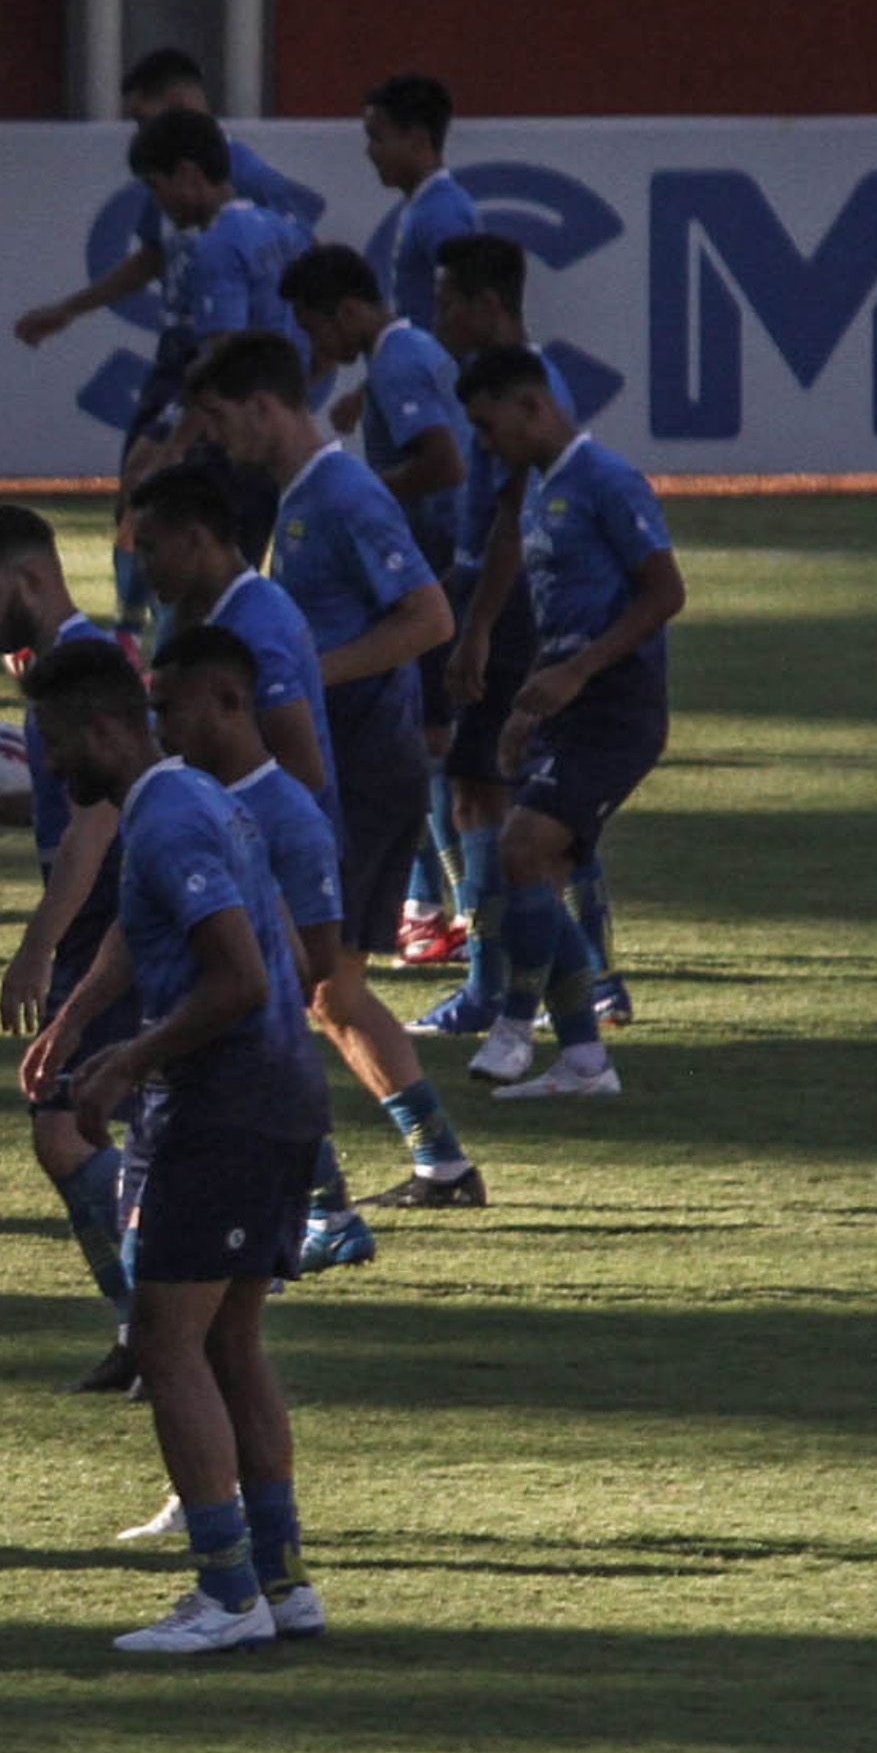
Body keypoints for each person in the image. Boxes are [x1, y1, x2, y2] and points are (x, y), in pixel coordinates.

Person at [18, 637, 329, 1654]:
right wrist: (72, 1024)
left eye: (62, 745)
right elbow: (145, 931)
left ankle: (226, 1593)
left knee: (165, 1340)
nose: (57, 767)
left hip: (224, 1105)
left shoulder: (171, 816)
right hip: (275, 1096)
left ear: (107, 729)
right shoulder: (188, 799)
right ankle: (280, 1584)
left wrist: (129, 1059)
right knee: (230, 1340)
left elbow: (235, 972)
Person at [181, 333, 488, 1234]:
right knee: (326, 993)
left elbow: (428, 617)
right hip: (348, 768)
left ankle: (324, 1208)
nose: (214, 439)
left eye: (219, 419)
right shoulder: (303, 496)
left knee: (289, 987)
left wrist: (316, 673)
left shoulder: (343, 492)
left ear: (264, 406)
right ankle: (439, 1162)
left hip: (360, 772)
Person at [0, 506, 138, 1394]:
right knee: (97, 1125)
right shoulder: (62, 667)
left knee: (66, 1131)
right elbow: (71, 798)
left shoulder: (82, 668)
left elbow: (96, 820)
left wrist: (39, 946)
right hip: (104, 913)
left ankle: (164, 1318)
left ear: (32, 579)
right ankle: (153, 1326)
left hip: (106, 920)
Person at [11, 48, 322, 641]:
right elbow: (162, 257)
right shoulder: (240, 221)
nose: (136, 128)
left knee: (175, 497)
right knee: (157, 494)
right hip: (215, 367)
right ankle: (150, 630)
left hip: (219, 375)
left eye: (140, 116)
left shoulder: (234, 198)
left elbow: (231, 341)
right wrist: (72, 309)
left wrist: (177, 434)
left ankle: (168, 641)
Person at [454, 344, 685, 1099]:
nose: (487, 445)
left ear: (531, 405)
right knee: (537, 870)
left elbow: (664, 592)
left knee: (523, 850)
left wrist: (580, 672)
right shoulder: (538, 487)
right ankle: (585, 1059)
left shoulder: (607, 481)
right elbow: (555, 610)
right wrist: (526, 698)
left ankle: (516, 1025)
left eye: (490, 427)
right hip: (568, 704)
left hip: (618, 704)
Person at [417, 233, 616, 1041]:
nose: (437, 315)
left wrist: (478, 630)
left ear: (485, 304)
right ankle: (591, 977)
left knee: (484, 793)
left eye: (447, 300)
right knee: (522, 796)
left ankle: (492, 986)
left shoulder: (522, 395)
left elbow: (508, 521)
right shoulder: (512, 385)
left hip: (505, 605)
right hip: (507, 599)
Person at [283, 240, 470, 966]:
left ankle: (432, 913)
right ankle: (432, 910)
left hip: (427, 574)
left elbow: (443, 463)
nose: (316, 345)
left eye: (316, 325)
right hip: (435, 567)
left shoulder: (394, 362)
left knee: (430, 761)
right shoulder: (409, 351)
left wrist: (358, 501)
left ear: (349, 311)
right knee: (431, 761)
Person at [362, 72, 478, 339]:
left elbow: (465, 315)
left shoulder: (442, 213)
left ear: (418, 140)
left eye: (377, 138)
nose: (370, 151)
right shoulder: (426, 207)